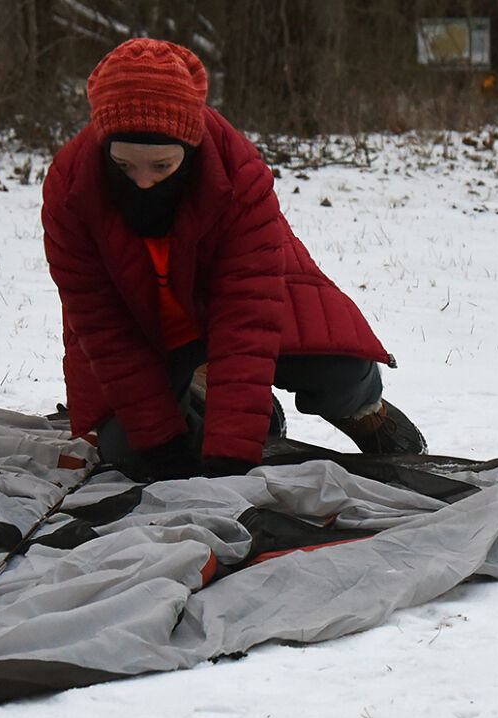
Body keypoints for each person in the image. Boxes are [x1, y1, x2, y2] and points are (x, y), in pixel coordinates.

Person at [42, 37, 427, 481]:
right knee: (134, 452)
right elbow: (104, 328)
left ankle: (367, 411)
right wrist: (161, 442)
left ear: (190, 148)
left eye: (161, 167)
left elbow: (246, 320)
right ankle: (225, 402)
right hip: (147, 340)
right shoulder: (69, 192)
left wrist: (231, 456)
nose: (143, 183)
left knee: (337, 367)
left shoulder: (239, 176)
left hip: (251, 315)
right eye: (125, 166)